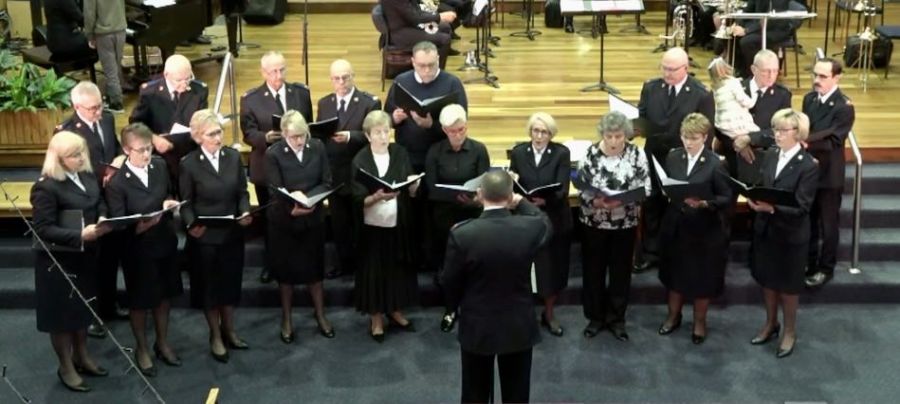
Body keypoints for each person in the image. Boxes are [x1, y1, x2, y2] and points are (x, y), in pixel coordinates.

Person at [441, 170, 551, 404]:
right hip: (518, 323)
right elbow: (545, 223)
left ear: (480, 195)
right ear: (511, 196)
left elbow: (450, 280)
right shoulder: (529, 228)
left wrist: (457, 306)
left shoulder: (463, 233)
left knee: (475, 392)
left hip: (477, 323)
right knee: (517, 393)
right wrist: (521, 202)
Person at [31, 131, 111, 392]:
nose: (80, 158)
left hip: (86, 257)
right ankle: (66, 365)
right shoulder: (46, 186)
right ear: (59, 158)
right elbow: (42, 229)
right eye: (74, 155)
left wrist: (101, 218)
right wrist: (79, 235)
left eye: (81, 153)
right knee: (63, 318)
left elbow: (98, 202)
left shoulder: (86, 175)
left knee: (82, 312)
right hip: (59, 263)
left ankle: (82, 355)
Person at [385, 41, 468, 279]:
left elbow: (461, 120)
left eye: (432, 65)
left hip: (441, 156)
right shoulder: (402, 82)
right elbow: (387, 116)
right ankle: (412, 258)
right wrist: (396, 117)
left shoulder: (452, 83)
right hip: (408, 155)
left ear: (438, 61)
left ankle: (435, 259)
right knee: (410, 209)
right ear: (412, 62)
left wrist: (432, 125)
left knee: (436, 209)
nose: (427, 71)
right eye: (421, 66)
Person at [105, 123, 183, 376]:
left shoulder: (160, 167)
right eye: (141, 150)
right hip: (137, 250)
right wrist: (141, 225)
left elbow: (168, 192)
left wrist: (168, 204)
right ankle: (142, 348)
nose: (147, 154)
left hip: (164, 242)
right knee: (140, 302)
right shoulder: (117, 183)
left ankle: (162, 342)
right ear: (127, 150)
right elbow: (117, 223)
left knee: (164, 296)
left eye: (149, 148)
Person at [179, 109, 252, 363]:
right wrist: (190, 225)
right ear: (198, 137)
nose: (218, 138)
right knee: (209, 289)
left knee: (230, 286)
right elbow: (186, 203)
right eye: (212, 134)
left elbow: (242, 192)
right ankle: (215, 335)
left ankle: (229, 329)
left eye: (219, 132)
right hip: (205, 238)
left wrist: (244, 211)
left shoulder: (232, 157)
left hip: (231, 233)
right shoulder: (189, 164)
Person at [635, 46, 714, 273]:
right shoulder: (651, 87)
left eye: (672, 69)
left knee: (679, 206)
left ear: (686, 68)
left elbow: (707, 132)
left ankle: (677, 252)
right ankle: (651, 251)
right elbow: (642, 116)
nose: (667, 73)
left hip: (683, 159)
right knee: (652, 202)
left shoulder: (701, 94)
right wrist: (636, 127)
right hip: (655, 154)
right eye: (664, 68)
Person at [747, 108, 818, 358]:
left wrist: (772, 207)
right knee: (767, 281)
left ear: (797, 133)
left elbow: (802, 207)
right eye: (775, 129)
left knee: (788, 287)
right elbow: (765, 185)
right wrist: (753, 195)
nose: (776, 134)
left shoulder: (808, 165)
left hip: (791, 235)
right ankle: (770, 323)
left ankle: (789, 331)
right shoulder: (771, 156)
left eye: (782, 130)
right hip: (766, 230)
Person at [56, 81, 124, 337]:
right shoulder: (66, 130)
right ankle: (91, 314)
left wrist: (117, 163)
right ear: (77, 107)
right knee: (90, 264)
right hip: (85, 201)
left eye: (100, 105)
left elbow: (115, 148)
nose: (99, 111)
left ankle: (109, 304)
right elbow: (68, 167)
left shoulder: (106, 120)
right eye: (93, 108)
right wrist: (101, 172)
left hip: (111, 199)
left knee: (110, 257)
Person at [657, 113, 732, 345]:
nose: (688, 142)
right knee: (674, 275)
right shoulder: (673, 157)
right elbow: (667, 184)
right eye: (684, 137)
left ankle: (699, 321)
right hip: (677, 226)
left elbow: (726, 197)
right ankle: (673, 316)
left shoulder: (716, 163)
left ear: (705, 137)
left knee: (702, 279)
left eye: (694, 138)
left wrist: (705, 203)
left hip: (704, 231)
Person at [577, 111, 651, 341]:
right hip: (594, 222)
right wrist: (594, 200)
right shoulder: (590, 153)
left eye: (619, 136)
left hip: (624, 223)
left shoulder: (636, 154)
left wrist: (624, 199)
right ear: (603, 134)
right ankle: (595, 318)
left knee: (620, 273)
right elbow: (580, 186)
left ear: (626, 135)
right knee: (593, 272)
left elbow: (646, 187)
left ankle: (617, 319)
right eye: (609, 136)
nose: (613, 141)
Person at [239, 51, 313, 284]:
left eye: (282, 70)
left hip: (298, 166)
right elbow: (248, 134)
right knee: (272, 219)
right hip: (267, 167)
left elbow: (308, 124)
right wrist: (266, 137)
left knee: (300, 217)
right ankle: (272, 263)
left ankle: (301, 261)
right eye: (273, 71)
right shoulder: (250, 98)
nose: (278, 75)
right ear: (263, 72)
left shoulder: (300, 94)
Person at [264, 110, 336, 344]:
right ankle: (287, 319)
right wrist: (291, 207)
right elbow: (274, 190)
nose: (299, 140)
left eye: (302, 135)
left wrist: (309, 198)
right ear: (283, 134)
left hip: (313, 217)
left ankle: (321, 315)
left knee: (315, 271)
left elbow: (326, 180)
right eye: (294, 136)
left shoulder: (317, 147)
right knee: (286, 275)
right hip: (285, 221)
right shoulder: (273, 154)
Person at [350, 110, 421, 342]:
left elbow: (409, 183)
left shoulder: (399, 152)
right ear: (368, 136)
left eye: (386, 131)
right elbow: (356, 198)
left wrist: (413, 185)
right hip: (372, 226)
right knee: (375, 272)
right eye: (378, 132)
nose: (383, 136)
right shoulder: (360, 159)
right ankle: (376, 317)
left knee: (396, 269)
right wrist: (377, 197)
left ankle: (395, 310)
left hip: (398, 222)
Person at [425, 104, 490, 332]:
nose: (458, 135)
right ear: (444, 130)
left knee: (475, 267)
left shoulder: (479, 150)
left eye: (462, 129)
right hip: (445, 217)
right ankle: (450, 309)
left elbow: (485, 186)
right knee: (450, 268)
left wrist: (473, 200)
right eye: (453, 131)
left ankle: (475, 309)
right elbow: (431, 188)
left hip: (472, 215)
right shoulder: (435, 151)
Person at [316, 59, 382, 279]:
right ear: (331, 80)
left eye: (345, 77)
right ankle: (343, 264)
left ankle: (364, 265)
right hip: (334, 173)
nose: (341, 82)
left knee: (361, 222)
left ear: (353, 76)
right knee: (339, 223)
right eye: (336, 78)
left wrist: (350, 137)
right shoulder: (324, 103)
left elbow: (376, 133)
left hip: (358, 173)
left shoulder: (368, 102)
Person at [508, 112, 572, 337]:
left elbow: (563, 188)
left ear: (551, 134)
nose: (539, 136)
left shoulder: (561, 153)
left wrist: (545, 199)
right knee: (523, 268)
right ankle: (524, 314)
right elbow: (514, 186)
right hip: (525, 218)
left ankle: (549, 313)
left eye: (544, 132)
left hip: (553, 216)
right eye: (535, 131)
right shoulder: (518, 152)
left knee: (551, 269)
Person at [802, 58, 855, 288]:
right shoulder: (809, 99)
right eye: (815, 75)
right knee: (809, 222)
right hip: (810, 172)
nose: (817, 80)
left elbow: (834, 138)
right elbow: (807, 127)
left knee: (828, 224)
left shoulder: (844, 106)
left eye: (823, 77)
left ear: (836, 78)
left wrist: (804, 142)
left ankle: (826, 268)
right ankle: (809, 263)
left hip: (829, 174)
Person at [130, 54, 209, 183]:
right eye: (179, 80)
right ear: (166, 75)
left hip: (189, 149)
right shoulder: (150, 92)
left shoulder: (199, 90)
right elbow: (135, 124)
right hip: (161, 154)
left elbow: (202, 120)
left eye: (188, 78)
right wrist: (153, 138)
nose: (184, 84)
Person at [722, 50, 792, 183]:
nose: (771, 76)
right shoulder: (735, 89)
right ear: (754, 69)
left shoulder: (782, 95)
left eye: (775, 71)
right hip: (732, 155)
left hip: (761, 158)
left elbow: (781, 129)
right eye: (766, 71)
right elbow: (721, 124)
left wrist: (750, 139)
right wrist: (739, 143)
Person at [381, 0, 458, 68]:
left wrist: (434, 15)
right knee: (445, 39)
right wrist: (440, 16)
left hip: (409, 25)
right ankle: (436, 74)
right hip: (401, 34)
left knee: (445, 27)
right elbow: (414, 17)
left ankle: (431, 61)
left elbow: (416, 11)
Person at [82, 0, 129, 112]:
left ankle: (116, 103)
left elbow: (89, 15)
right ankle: (113, 95)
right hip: (121, 29)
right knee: (116, 66)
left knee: (110, 70)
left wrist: (89, 35)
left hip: (104, 34)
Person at [730, 0, 791, 77]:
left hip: (775, 30)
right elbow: (747, 11)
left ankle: (751, 74)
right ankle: (740, 69)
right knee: (733, 34)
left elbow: (771, 20)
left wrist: (746, 30)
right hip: (760, 26)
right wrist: (737, 24)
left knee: (746, 42)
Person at [708, 57, 760, 142]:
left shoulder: (715, 88)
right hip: (737, 125)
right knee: (757, 134)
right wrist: (754, 97)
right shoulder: (733, 83)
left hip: (721, 125)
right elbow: (745, 101)